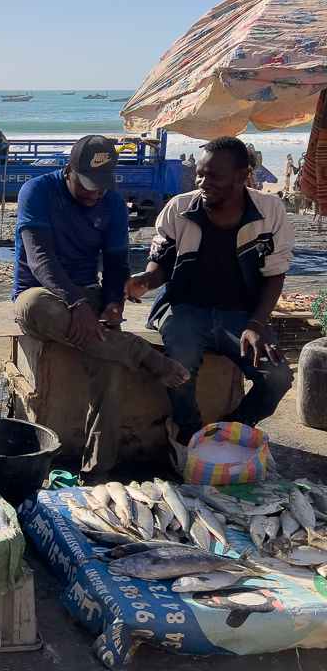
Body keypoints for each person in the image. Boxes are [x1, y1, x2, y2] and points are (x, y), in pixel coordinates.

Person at [12, 135, 189, 479]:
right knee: (37, 307)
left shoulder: (113, 206)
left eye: (101, 186)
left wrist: (112, 304)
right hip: (40, 293)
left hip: (89, 294)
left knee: (110, 367)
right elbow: (40, 258)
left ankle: (96, 473)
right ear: (69, 171)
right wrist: (75, 302)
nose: (95, 195)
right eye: (87, 186)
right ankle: (144, 355)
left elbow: (117, 265)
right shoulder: (37, 192)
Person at [125, 136, 296, 467]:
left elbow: (275, 274)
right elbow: (161, 265)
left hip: (242, 313)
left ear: (243, 175)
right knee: (180, 364)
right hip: (185, 308)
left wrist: (257, 323)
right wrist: (144, 281)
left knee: (277, 377)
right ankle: (188, 433)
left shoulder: (270, 210)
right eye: (200, 175)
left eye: (214, 176)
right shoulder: (179, 208)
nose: (203, 183)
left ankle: (232, 431)